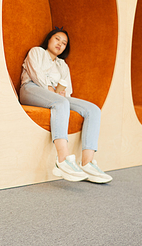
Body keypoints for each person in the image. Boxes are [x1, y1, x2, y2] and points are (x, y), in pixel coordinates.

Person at [19, 27, 112, 183]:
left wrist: (60, 94)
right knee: (61, 103)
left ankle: (87, 163)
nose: (60, 44)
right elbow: (36, 74)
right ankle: (62, 159)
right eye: (57, 39)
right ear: (48, 39)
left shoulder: (63, 65)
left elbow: (67, 90)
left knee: (93, 110)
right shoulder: (36, 52)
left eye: (64, 43)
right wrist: (52, 91)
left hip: (55, 96)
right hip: (31, 88)